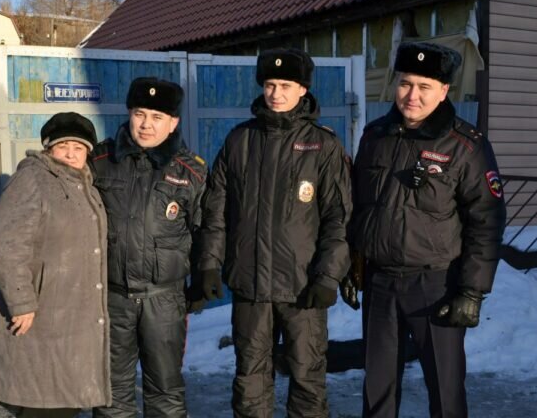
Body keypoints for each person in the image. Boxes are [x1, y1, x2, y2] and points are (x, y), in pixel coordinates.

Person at [342, 41, 506, 417]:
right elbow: (358, 205)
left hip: (436, 286)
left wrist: (472, 291)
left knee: (445, 390)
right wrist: (351, 261)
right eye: (405, 83)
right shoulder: (376, 136)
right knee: (377, 388)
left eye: (424, 86)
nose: (412, 95)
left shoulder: (465, 146)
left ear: (444, 90)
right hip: (381, 284)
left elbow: (487, 219)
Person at [196, 48, 351, 418]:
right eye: (269, 84)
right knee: (249, 380)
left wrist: (328, 276)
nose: (276, 93)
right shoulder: (239, 142)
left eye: (285, 85)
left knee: (307, 380)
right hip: (250, 286)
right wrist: (209, 264)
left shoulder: (323, 146)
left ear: (302, 90)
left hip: (303, 288)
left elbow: (339, 218)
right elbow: (216, 210)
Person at [91, 77, 207, 418]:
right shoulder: (100, 161)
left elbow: (207, 229)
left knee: (165, 393)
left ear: (173, 123)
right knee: (111, 394)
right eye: (140, 113)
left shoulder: (191, 172)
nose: (146, 124)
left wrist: (205, 272)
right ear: (129, 113)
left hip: (164, 299)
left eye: (157, 117)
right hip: (111, 298)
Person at [0, 112, 109, 418]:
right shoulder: (33, 178)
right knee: (44, 400)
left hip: (71, 317)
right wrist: (21, 302)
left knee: (61, 399)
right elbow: (9, 241)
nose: (71, 152)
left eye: (78, 147)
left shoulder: (84, 185)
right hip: (42, 315)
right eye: (63, 145)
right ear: (48, 149)